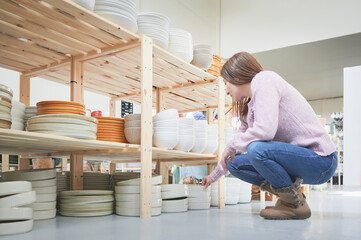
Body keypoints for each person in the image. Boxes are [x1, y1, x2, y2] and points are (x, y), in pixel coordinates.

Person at [201, 52, 337, 220]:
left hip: (321, 160)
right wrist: (212, 177)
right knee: (234, 164)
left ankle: (293, 205)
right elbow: (233, 152)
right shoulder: (248, 109)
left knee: (256, 149)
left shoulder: (264, 79)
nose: (226, 89)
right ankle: (293, 200)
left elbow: (265, 131)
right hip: (299, 161)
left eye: (225, 82)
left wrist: (232, 145)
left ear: (235, 77)